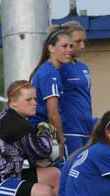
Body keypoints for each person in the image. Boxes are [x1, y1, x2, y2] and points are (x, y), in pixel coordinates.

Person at [29, 26, 73, 162]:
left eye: (71, 46)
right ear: (51, 48)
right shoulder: (50, 73)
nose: (69, 50)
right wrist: (60, 140)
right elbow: (52, 113)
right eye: (64, 46)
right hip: (42, 133)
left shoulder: (51, 70)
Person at [59, 21, 96, 157]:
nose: (82, 46)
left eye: (84, 41)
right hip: (70, 129)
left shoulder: (83, 67)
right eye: (78, 41)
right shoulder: (60, 67)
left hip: (86, 127)